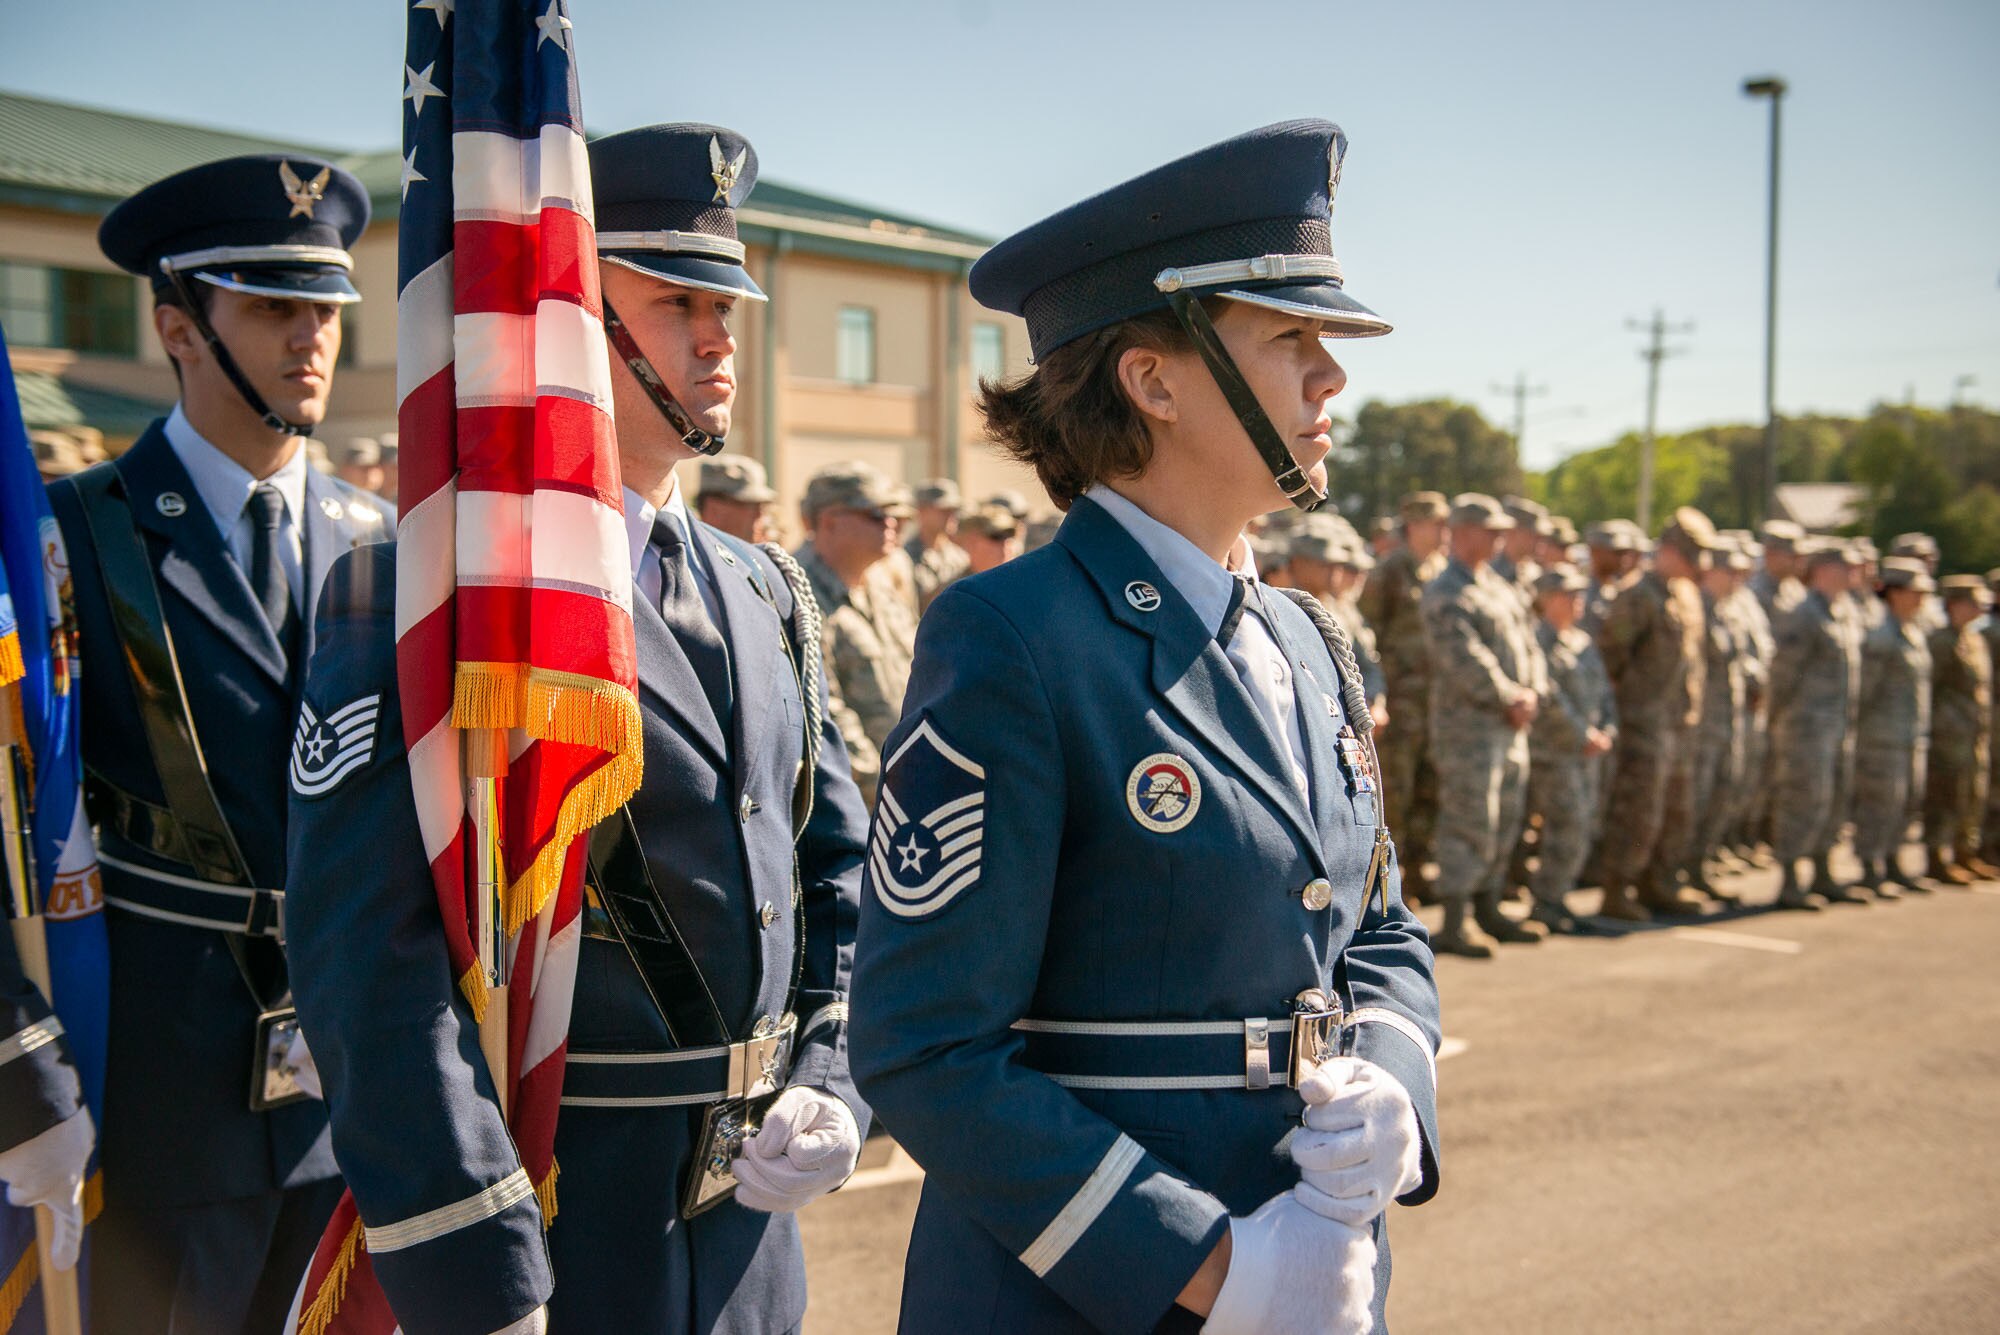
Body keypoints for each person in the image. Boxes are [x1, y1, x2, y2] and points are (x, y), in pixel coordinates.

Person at [850, 120, 1440, 1335]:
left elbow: (1372, 924)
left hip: (1314, 1267)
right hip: (1096, 1295)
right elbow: (924, 1045)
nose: (1331, 376)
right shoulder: (1012, 634)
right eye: (1288, 338)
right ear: (1152, 379)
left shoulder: (1311, 639)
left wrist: (1392, 1073)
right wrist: (1214, 1269)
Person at [285, 123, 872, 1334]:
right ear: (564, 320)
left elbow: (836, 872)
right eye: (674, 301)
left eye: (725, 299)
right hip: (556, 1217)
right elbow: (371, 966)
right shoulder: (424, 592)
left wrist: (829, 1076)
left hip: (749, 1222)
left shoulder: (768, 590)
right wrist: (474, 1268)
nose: (720, 334)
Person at [42, 153, 391, 1332]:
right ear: (178, 326)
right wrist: (24, 1072)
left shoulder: (385, 543)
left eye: (324, 310)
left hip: (353, 1084)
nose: (310, 340)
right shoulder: (70, 536)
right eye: (270, 306)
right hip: (152, 1092)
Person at [1422, 493, 1547, 956]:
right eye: (1490, 531)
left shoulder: (1499, 586)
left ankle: (1489, 906)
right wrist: (1508, 695)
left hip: (1510, 727)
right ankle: (1458, 918)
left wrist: (1530, 691)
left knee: (1506, 816)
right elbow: (1463, 658)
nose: (1500, 538)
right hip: (1468, 729)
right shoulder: (1446, 591)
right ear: (1463, 533)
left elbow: (1529, 644)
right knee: (1469, 819)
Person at [1595, 508, 1712, 920]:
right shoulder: (1637, 594)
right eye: (1693, 554)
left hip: (1676, 723)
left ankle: (1659, 883)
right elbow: (1611, 657)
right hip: (1642, 722)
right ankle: (1617, 888)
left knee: (1674, 810)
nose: (1700, 565)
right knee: (1638, 810)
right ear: (1670, 551)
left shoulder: (1683, 593)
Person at [795, 461, 917, 809]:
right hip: (858, 802)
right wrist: (888, 786)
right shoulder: (795, 591)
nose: (892, 524)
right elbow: (824, 712)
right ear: (829, 521)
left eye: (894, 515)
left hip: (906, 786)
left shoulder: (882, 584)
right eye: (876, 514)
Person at [1359, 491, 1449, 903]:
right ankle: (1389, 881)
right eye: (1437, 523)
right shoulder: (1390, 571)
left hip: (1435, 700)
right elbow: (1368, 630)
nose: (1444, 532)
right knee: (1397, 789)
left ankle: (1417, 871)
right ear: (1414, 525)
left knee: (1430, 787)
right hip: (1400, 698)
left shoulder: (1440, 570)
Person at [1768, 542, 1866, 907]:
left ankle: (1823, 872)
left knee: (1834, 800)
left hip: (1838, 725)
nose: (1855, 573)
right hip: (1805, 727)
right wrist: (1778, 718)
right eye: (1847, 567)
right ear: (1824, 569)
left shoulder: (1844, 611)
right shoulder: (1803, 613)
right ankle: (1791, 879)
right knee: (1802, 800)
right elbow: (1783, 674)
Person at [1522, 566, 1617, 934]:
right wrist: (1583, 734)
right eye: (1568, 594)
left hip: (1587, 753)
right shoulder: (1538, 642)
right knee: (1565, 825)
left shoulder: (1582, 641)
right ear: (1547, 599)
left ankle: (1558, 898)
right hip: (1557, 752)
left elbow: (1605, 694)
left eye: (1580, 594)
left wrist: (1606, 729)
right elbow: (1550, 698)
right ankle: (1545, 901)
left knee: (1582, 825)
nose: (1578, 601)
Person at [1851, 558, 1934, 897]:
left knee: (1906, 802)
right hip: (1881, 737)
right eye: (1915, 592)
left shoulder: (1913, 631)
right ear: (1895, 593)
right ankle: (1871, 865)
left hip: (1909, 734)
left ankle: (1893, 859)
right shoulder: (1881, 636)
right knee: (1879, 803)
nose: (1921, 599)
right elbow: (1864, 692)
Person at [1923, 576, 1996, 885]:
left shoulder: (1975, 639)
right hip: (1948, 733)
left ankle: (1965, 852)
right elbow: (1932, 689)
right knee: (1946, 795)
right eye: (1973, 602)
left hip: (1973, 730)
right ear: (1954, 604)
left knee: (1972, 793)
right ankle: (1938, 858)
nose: (1980, 608)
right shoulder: (1941, 641)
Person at [905, 477, 971, 611]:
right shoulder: (905, 556)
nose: (951, 515)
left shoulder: (960, 556)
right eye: (943, 509)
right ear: (921, 511)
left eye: (954, 509)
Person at [692, 452, 778, 544]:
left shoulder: (762, 554)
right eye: (751, 505)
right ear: (714, 509)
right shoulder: (689, 553)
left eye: (762, 506)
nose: (759, 514)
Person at [954, 501, 1023, 575]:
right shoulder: (956, 585)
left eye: (1010, 535)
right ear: (972, 541)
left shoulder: (1022, 581)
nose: (1005, 544)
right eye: (996, 536)